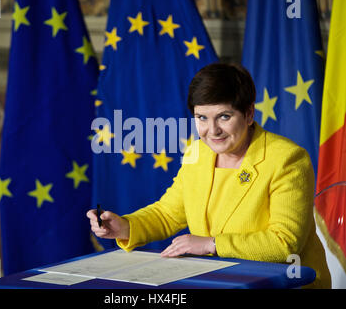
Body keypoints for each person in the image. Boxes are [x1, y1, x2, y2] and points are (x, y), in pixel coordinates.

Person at [87, 63, 331, 288]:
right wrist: (125, 227)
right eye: (202, 118)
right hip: (220, 281)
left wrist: (210, 244)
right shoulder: (197, 152)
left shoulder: (287, 159)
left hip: (285, 284)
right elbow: (168, 213)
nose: (212, 130)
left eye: (224, 117)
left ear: (248, 114)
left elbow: (284, 244)